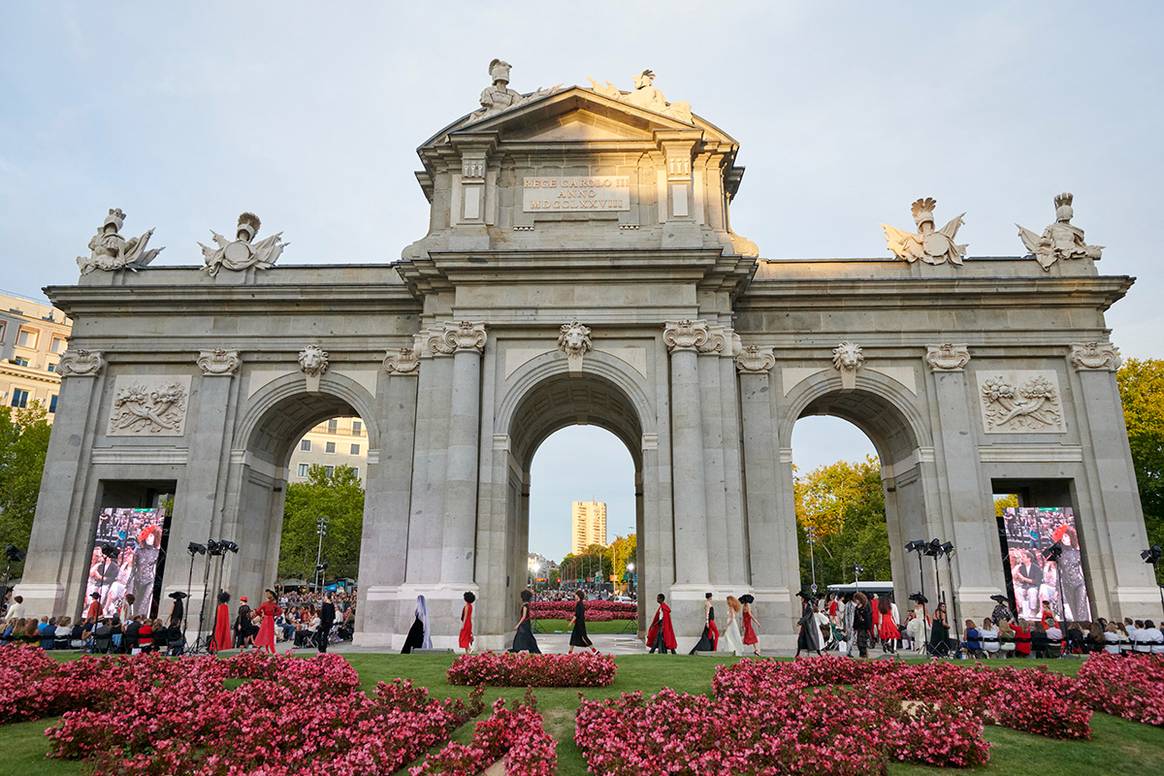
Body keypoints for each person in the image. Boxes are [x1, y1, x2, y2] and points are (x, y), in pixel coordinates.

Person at [1053, 526, 1089, 621]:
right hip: (1066, 584)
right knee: (1074, 610)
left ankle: (1085, 627)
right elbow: (1058, 572)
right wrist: (1057, 588)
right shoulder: (1059, 554)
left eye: (1066, 536)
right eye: (1063, 537)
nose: (1064, 539)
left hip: (1079, 583)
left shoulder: (1078, 553)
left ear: (1071, 536)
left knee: (1081, 608)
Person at [796, 590, 824, 657]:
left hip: (809, 625)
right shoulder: (804, 605)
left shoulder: (809, 606)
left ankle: (819, 653)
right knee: (800, 639)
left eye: (802, 598)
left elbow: (807, 616)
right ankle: (797, 654)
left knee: (813, 640)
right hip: (805, 625)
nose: (801, 599)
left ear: (804, 599)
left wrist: (800, 622)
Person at [568, 589, 597, 654]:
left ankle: (595, 651)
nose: (575, 596)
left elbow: (576, 615)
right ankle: (570, 652)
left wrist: (571, 622)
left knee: (584, 638)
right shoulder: (579, 603)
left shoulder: (580, 604)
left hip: (580, 624)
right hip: (578, 624)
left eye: (575, 595)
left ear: (578, 596)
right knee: (573, 638)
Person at [253, 589, 281, 653]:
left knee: (263, 633)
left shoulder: (264, 604)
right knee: (270, 634)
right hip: (270, 619)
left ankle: (263, 648)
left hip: (265, 619)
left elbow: (257, 611)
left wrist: (262, 615)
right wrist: (273, 615)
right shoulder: (273, 605)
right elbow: (280, 611)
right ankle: (270, 649)